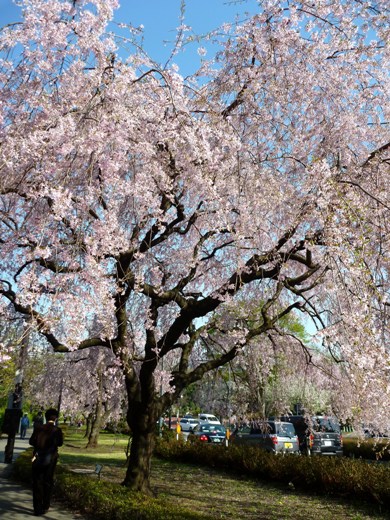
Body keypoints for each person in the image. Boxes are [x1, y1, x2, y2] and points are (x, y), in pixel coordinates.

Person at [29, 408, 63, 516]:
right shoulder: (57, 430)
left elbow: (31, 441)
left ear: (46, 417)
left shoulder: (39, 428)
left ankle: (37, 508)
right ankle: (46, 505)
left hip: (37, 457)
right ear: (55, 418)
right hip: (51, 459)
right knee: (47, 481)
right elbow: (60, 443)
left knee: (37, 482)